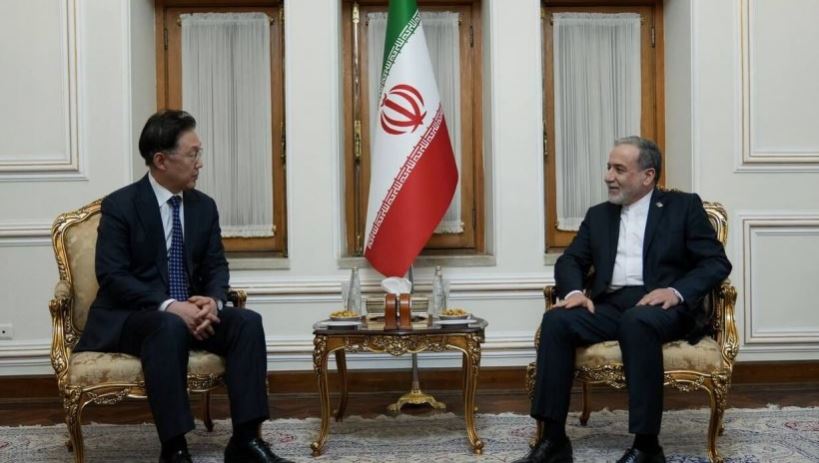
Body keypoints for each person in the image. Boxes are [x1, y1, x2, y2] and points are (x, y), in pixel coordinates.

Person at [75, 110, 292, 463]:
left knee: (247, 322)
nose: (199, 163)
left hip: (191, 313)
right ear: (161, 160)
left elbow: (216, 265)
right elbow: (113, 276)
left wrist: (213, 301)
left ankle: (245, 441)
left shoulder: (203, 207)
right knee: (168, 325)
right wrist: (172, 307)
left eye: (198, 153)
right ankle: (174, 449)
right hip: (137, 318)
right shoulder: (121, 205)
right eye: (193, 154)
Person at [514, 137, 731, 463]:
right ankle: (553, 441)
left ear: (647, 176)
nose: (608, 177)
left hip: (662, 307)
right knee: (557, 320)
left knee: (637, 320)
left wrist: (675, 292)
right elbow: (571, 260)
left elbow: (715, 262)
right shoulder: (599, 215)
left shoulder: (683, 207)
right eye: (608, 168)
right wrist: (575, 293)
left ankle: (647, 447)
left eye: (619, 169)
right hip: (611, 305)